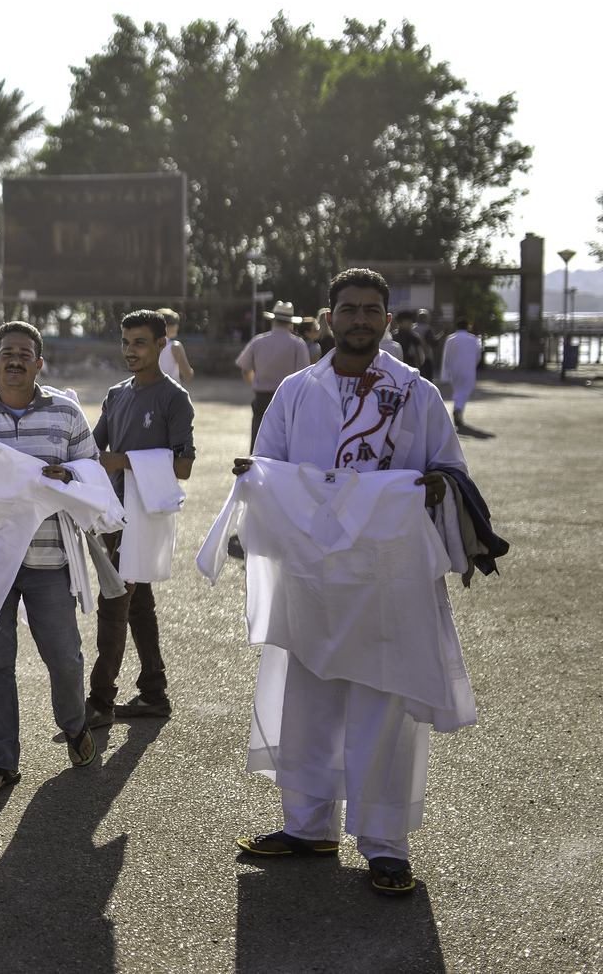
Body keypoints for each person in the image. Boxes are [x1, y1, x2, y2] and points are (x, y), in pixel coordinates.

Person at [228, 267, 471, 897]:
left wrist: (437, 487)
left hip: (387, 584)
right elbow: (270, 464)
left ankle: (385, 847)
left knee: (381, 714)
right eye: (349, 309)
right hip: (311, 581)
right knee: (306, 708)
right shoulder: (295, 392)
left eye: (372, 311)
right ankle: (308, 828)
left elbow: (451, 468)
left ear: (387, 321)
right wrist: (252, 482)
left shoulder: (415, 394)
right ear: (327, 317)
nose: (361, 320)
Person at [0, 321, 100, 793]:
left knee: (64, 657)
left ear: (40, 363)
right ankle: (1, 762)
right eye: (6, 352)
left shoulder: (66, 414)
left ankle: (75, 726)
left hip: (48, 559)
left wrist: (68, 478)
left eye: (24, 353)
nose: (15, 360)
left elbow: (91, 472)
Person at [87, 310, 196, 729]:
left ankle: (100, 701)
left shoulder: (174, 399)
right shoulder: (116, 395)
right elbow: (93, 449)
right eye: (126, 342)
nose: (131, 351)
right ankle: (154, 692)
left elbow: (183, 466)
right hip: (114, 512)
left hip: (146, 515)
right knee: (138, 602)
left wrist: (125, 461)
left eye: (140, 343)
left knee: (115, 600)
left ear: (161, 345)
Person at [236, 301, 310, 450]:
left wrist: (254, 383)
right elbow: (305, 376)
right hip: (289, 399)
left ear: (273, 320)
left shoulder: (258, 341)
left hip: (262, 396)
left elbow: (245, 369)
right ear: (290, 323)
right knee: (286, 445)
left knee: (258, 440)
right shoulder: (298, 344)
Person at [440, 319, 479, 431]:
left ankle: (458, 411)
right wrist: (473, 364)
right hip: (468, 369)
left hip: (455, 369)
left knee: (458, 389)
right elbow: (478, 355)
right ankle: (458, 408)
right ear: (467, 326)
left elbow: (446, 356)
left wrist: (446, 372)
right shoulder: (473, 339)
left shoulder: (450, 339)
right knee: (466, 389)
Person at [155, 307, 194, 382]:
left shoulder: (147, 345)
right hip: (170, 391)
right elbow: (187, 375)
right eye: (175, 324)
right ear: (167, 326)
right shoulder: (175, 347)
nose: (177, 327)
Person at [414, 309, 439, 381]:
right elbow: (434, 342)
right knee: (428, 380)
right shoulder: (427, 329)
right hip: (426, 357)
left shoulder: (413, 328)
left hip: (414, 358)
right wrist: (443, 333)